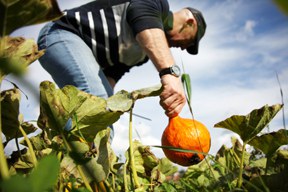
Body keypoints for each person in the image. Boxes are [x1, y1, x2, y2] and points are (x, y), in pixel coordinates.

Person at [37, 0, 206, 139]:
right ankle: (85, 173)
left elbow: (111, 75)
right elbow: (143, 17)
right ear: (190, 23)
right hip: (61, 33)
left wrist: (109, 105)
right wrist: (170, 75)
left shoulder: (142, 55)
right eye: (189, 42)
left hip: (78, 52)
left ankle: (56, 157)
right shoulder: (157, 5)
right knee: (97, 112)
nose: (183, 48)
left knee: (101, 108)